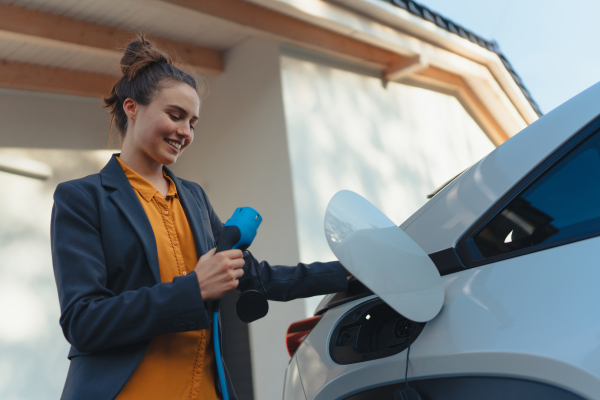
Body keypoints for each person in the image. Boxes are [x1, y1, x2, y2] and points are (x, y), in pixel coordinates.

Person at [50, 35, 348, 400]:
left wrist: (353, 271)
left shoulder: (193, 197)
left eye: (193, 122)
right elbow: (83, 322)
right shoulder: (81, 198)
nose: (186, 133)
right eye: (175, 116)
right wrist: (194, 288)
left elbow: (257, 276)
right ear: (131, 107)